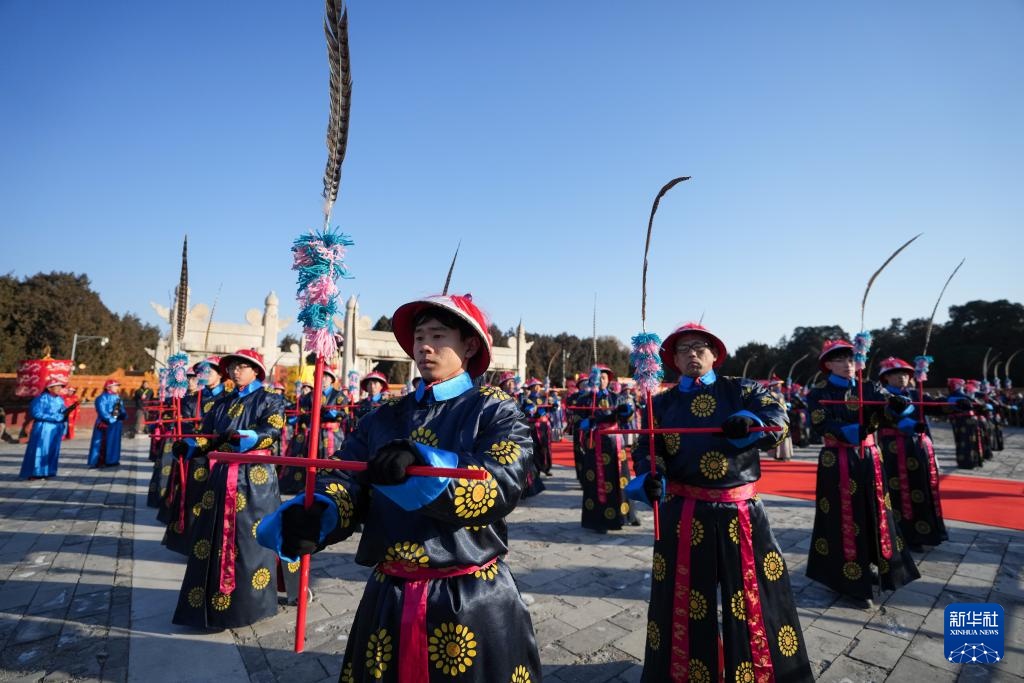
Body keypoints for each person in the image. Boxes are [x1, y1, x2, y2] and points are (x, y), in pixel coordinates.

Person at [257, 293, 541, 682]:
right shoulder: (384, 417)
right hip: (388, 593)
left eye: (438, 336)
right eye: (419, 336)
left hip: (472, 598)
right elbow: (344, 478)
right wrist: (319, 512)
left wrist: (423, 465)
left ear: (470, 345)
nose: (424, 346)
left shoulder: (494, 408)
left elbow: (501, 480)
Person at [626, 322, 813, 682]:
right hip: (682, 512)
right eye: (683, 349)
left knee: (753, 597)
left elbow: (779, 420)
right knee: (681, 600)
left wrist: (750, 422)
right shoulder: (659, 402)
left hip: (739, 511)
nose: (692, 354)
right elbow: (648, 451)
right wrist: (651, 477)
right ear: (672, 361)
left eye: (699, 347)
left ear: (715, 354)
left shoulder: (742, 390)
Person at [171, 348, 289, 629]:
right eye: (233, 366)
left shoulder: (270, 400)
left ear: (256, 371)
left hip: (254, 479)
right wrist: (191, 446)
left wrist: (245, 437)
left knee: (250, 541)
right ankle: (211, 605)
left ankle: (252, 604)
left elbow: (272, 431)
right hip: (221, 477)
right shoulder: (221, 403)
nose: (236, 370)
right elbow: (209, 438)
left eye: (242, 366)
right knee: (212, 539)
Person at [805, 340, 920, 605]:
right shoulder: (818, 391)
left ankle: (879, 565)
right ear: (829, 364)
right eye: (841, 360)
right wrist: (847, 431)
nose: (847, 364)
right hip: (838, 461)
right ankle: (847, 578)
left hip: (870, 457)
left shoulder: (869, 386)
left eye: (851, 359)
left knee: (875, 511)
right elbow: (821, 423)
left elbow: (889, 411)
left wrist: (900, 407)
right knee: (843, 516)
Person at [874, 357, 947, 551]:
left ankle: (922, 532)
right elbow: (888, 417)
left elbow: (937, 406)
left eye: (906, 374)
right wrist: (908, 423)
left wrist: (955, 404)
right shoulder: (880, 395)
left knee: (920, 487)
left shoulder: (916, 392)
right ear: (886, 377)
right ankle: (900, 534)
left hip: (916, 448)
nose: (902, 378)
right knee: (895, 491)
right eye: (896, 374)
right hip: (892, 449)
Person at [577, 365, 636, 532]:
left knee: (620, 477)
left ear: (609, 380)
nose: (601, 380)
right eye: (599, 377)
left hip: (615, 443)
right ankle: (599, 519)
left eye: (604, 377)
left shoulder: (617, 398)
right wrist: (585, 423)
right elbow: (576, 419)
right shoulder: (586, 399)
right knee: (597, 480)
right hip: (595, 444)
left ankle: (624, 515)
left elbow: (626, 419)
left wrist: (627, 412)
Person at [20, 378, 71, 480]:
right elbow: (36, 413)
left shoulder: (60, 399)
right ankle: (35, 472)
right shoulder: (41, 398)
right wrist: (55, 417)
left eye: (60, 386)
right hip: (44, 427)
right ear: (49, 388)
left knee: (52, 449)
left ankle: (48, 471)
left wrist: (65, 416)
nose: (59, 388)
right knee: (40, 449)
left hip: (56, 429)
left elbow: (63, 412)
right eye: (57, 386)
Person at [945, 378, 984, 469]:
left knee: (966, 441)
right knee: (965, 441)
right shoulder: (958, 396)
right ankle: (968, 461)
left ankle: (967, 462)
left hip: (965, 421)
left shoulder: (960, 396)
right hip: (962, 421)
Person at [88, 379, 126, 468]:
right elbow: (102, 412)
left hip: (116, 424)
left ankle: (113, 460)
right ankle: (99, 461)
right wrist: (111, 419)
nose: (117, 388)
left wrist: (122, 415)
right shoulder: (101, 398)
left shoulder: (118, 397)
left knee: (115, 442)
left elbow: (122, 409)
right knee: (102, 442)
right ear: (108, 387)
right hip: (105, 424)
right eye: (115, 386)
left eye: (118, 386)